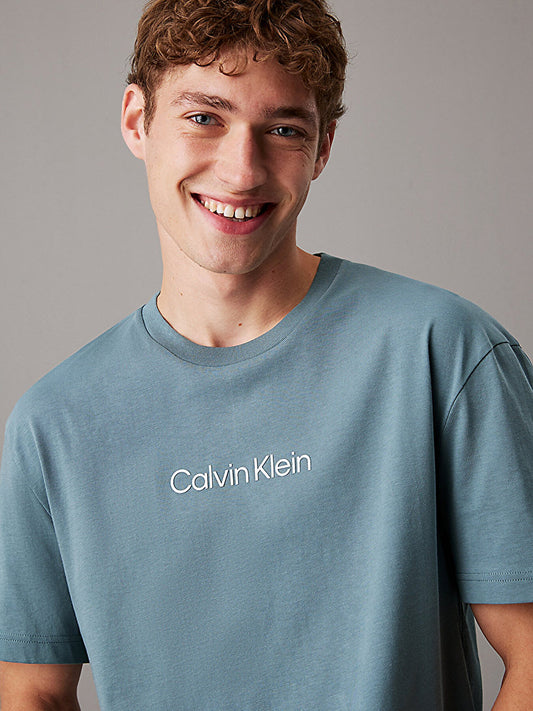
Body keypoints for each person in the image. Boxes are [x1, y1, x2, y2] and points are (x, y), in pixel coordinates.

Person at [0, 0, 532, 708]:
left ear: (323, 147)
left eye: (283, 129)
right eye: (204, 117)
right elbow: (29, 691)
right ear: (136, 120)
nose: (241, 170)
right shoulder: (54, 425)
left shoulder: (442, 352)